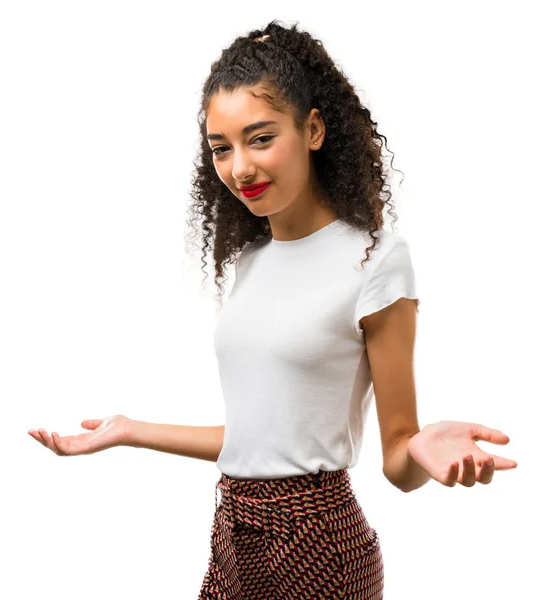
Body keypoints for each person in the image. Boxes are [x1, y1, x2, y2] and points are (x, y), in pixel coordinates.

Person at [28, 19, 518, 600]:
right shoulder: (252, 262)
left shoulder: (376, 260)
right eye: (221, 148)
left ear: (312, 129)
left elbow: (396, 458)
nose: (239, 167)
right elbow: (262, 439)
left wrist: (418, 448)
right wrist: (128, 430)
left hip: (317, 543)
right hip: (234, 532)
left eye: (260, 138)